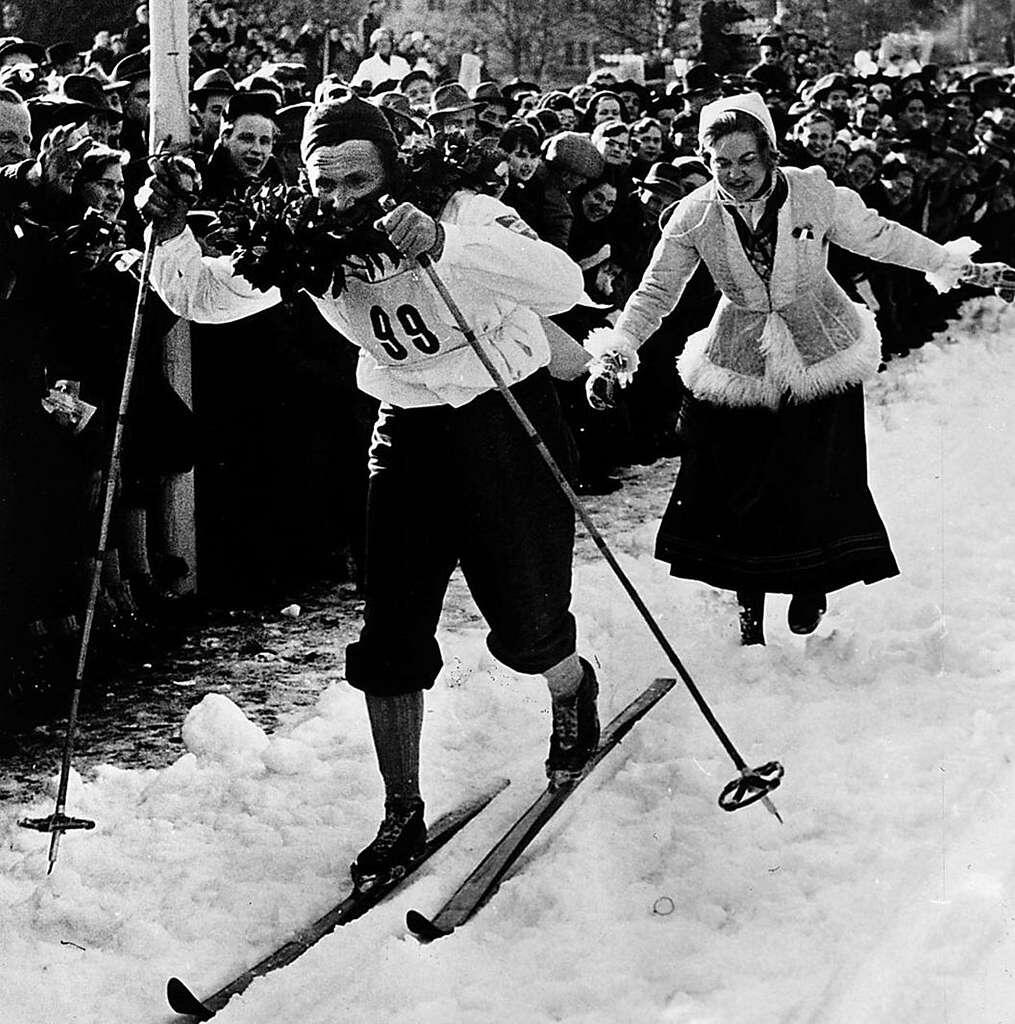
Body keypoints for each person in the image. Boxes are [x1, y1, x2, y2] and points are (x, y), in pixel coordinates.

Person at [136, 91, 600, 887]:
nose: (343, 200)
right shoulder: (306, 236)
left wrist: (446, 243)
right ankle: (400, 808)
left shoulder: (462, 207)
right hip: (408, 429)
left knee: (526, 625)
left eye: (359, 181)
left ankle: (571, 686)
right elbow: (202, 298)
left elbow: (558, 282)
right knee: (390, 631)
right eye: (325, 183)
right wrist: (171, 228)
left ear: (393, 168)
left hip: (502, 413)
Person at [585, 92, 1009, 645]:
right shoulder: (695, 214)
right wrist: (615, 353)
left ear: (770, 153)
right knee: (738, 482)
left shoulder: (812, 192)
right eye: (721, 163)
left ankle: (813, 583)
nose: (735, 174)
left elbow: (881, 236)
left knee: (816, 477)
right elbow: (656, 290)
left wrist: (958, 266)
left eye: (747, 160)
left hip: (820, 344)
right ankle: (749, 608)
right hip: (739, 350)